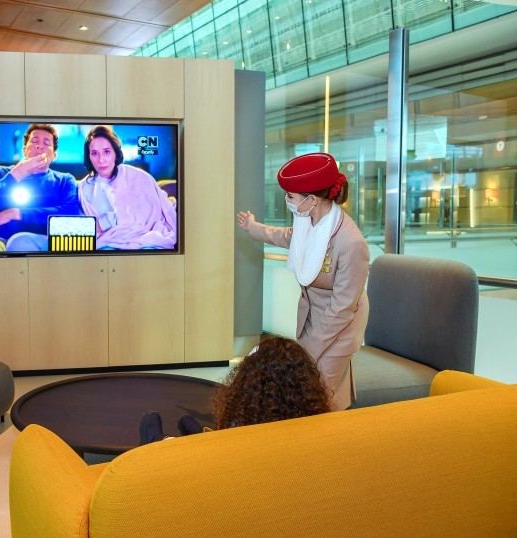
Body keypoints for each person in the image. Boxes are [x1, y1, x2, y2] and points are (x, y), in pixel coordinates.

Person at [237, 152, 369, 411]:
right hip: (313, 316)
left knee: (321, 390)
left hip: (340, 324)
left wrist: (306, 350)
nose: (287, 201)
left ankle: (331, 443)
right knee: (305, 385)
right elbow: (285, 236)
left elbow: (343, 307)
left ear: (312, 199)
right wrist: (253, 227)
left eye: (291, 197)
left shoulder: (350, 243)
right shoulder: (308, 221)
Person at [139, 337, 331, 444]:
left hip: (211, 459)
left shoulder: (239, 432)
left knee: (151, 421)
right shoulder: (312, 428)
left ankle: (161, 438)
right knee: (187, 423)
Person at [0, 124, 80, 252]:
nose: (39, 146)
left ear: (54, 155)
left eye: (46, 143)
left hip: (38, 240)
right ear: (24, 149)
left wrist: (17, 213)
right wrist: (15, 175)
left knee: (19, 243)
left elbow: (71, 214)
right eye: (34, 141)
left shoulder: (64, 180)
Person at [78, 125, 177, 250]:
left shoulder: (140, 177)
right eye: (94, 153)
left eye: (107, 152)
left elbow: (148, 214)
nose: (101, 160)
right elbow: (83, 227)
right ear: (89, 157)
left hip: (147, 240)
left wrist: (107, 222)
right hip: (105, 245)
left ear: (115, 152)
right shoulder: (83, 188)